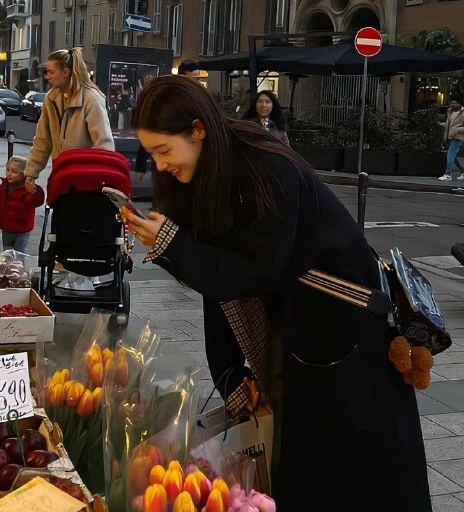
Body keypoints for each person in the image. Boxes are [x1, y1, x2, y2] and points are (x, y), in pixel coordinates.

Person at [121, 75, 430, 512]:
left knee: (357, 474)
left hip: (345, 336)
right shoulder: (210, 173)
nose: (160, 164)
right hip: (302, 334)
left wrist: (173, 244)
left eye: (164, 151)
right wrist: (229, 372)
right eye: (152, 153)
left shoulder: (268, 166)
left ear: (198, 130)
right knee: (305, 467)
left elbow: (254, 272)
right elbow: (221, 279)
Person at [24, 47, 114, 193]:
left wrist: (102, 180)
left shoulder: (91, 99)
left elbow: (104, 143)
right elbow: (42, 139)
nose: (48, 76)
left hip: (86, 182)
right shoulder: (51, 98)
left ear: (65, 72)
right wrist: (31, 172)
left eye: (52, 72)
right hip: (61, 176)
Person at [134, 61, 200, 183]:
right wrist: (141, 166)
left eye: (197, 79)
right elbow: (150, 133)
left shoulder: (199, 100)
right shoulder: (166, 99)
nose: (196, 83)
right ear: (183, 76)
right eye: (193, 79)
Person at [0, 156, 45, 253]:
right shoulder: (4, 185)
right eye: (7, 170)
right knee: (7, 255)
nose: (9, 174)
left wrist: (34, 189)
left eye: (14, 171)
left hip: (22, 230)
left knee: (18, 257)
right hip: (6, 228)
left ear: (24, 173)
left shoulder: (28, 189)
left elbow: (36, 201)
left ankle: (19, 268)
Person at [439, 96, 464, 181]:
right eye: (451, 103)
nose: (452, 105)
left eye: (454, 103)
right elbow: (450, 124)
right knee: (452, 156)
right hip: (449, 136)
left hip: (457, 137)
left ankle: (448, 174)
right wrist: (444, 125)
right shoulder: (450, 111)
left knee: (450, 155)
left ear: (459, 104)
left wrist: (457, 130)